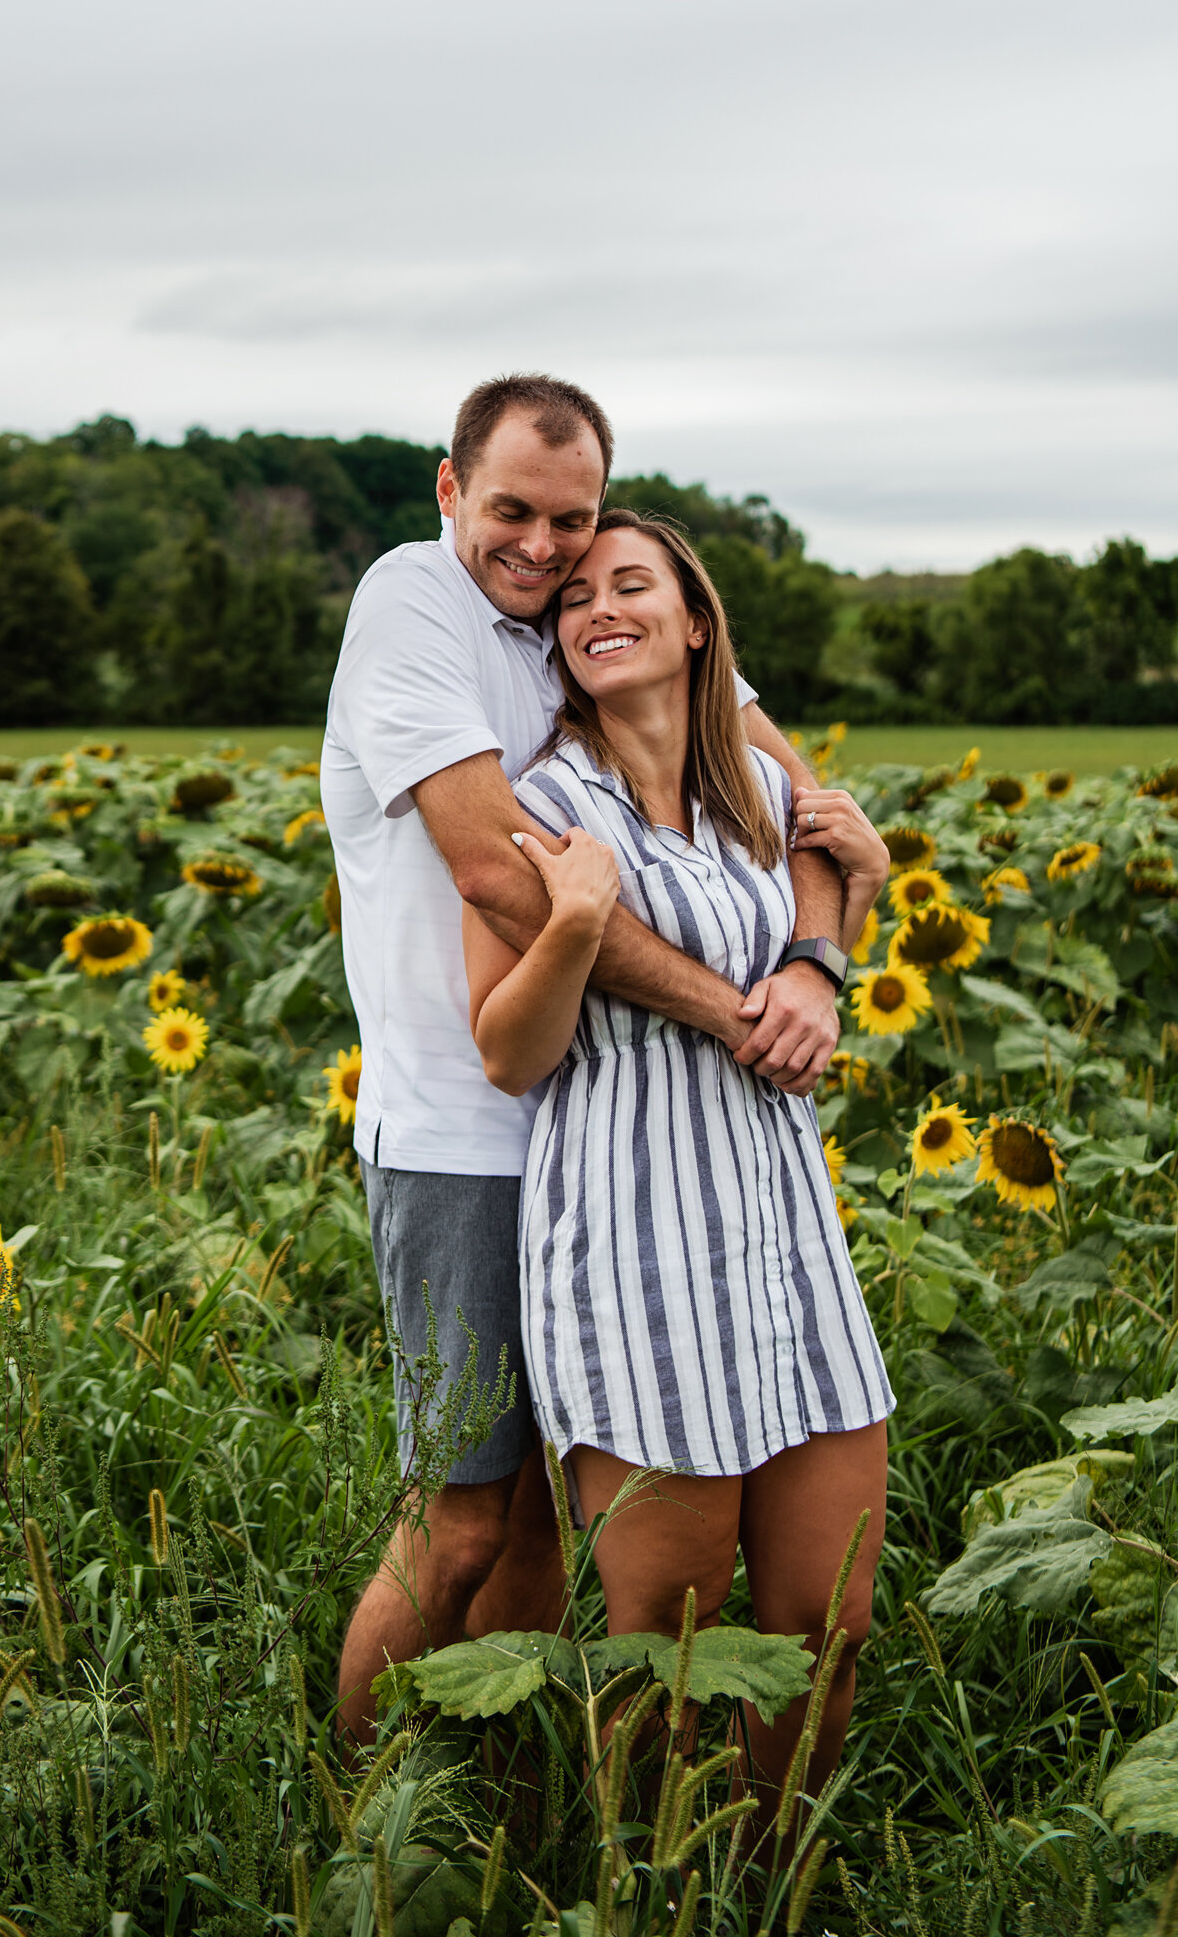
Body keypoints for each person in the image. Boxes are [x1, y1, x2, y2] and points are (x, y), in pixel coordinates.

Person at [320, 373, 869, 1743]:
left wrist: (812, 960)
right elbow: (503, 879)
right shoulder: (416, 601)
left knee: (550, 1531)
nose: (545, 549)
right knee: (462, 1522)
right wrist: (732, 1012)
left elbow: (798, 802)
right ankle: (356, 1803)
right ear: (449, 492)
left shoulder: (590, 614)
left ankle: (505, 1804)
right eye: (511, 511)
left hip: (614, 1151)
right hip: (469, 1132)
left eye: (571, 520)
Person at [460, 506, 894, 1828]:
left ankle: (775, 1876)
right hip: (638, 1245)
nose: (599, 604)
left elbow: (820, 934)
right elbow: (509, 1056)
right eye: (578, 595)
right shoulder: (542, 806)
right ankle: (656, 1882)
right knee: (670, 1637)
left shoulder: (761, 795)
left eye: (631, 583)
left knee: (831, 1617)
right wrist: (575, 925)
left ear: (697, 621)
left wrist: (834, 951)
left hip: (784, 1232)